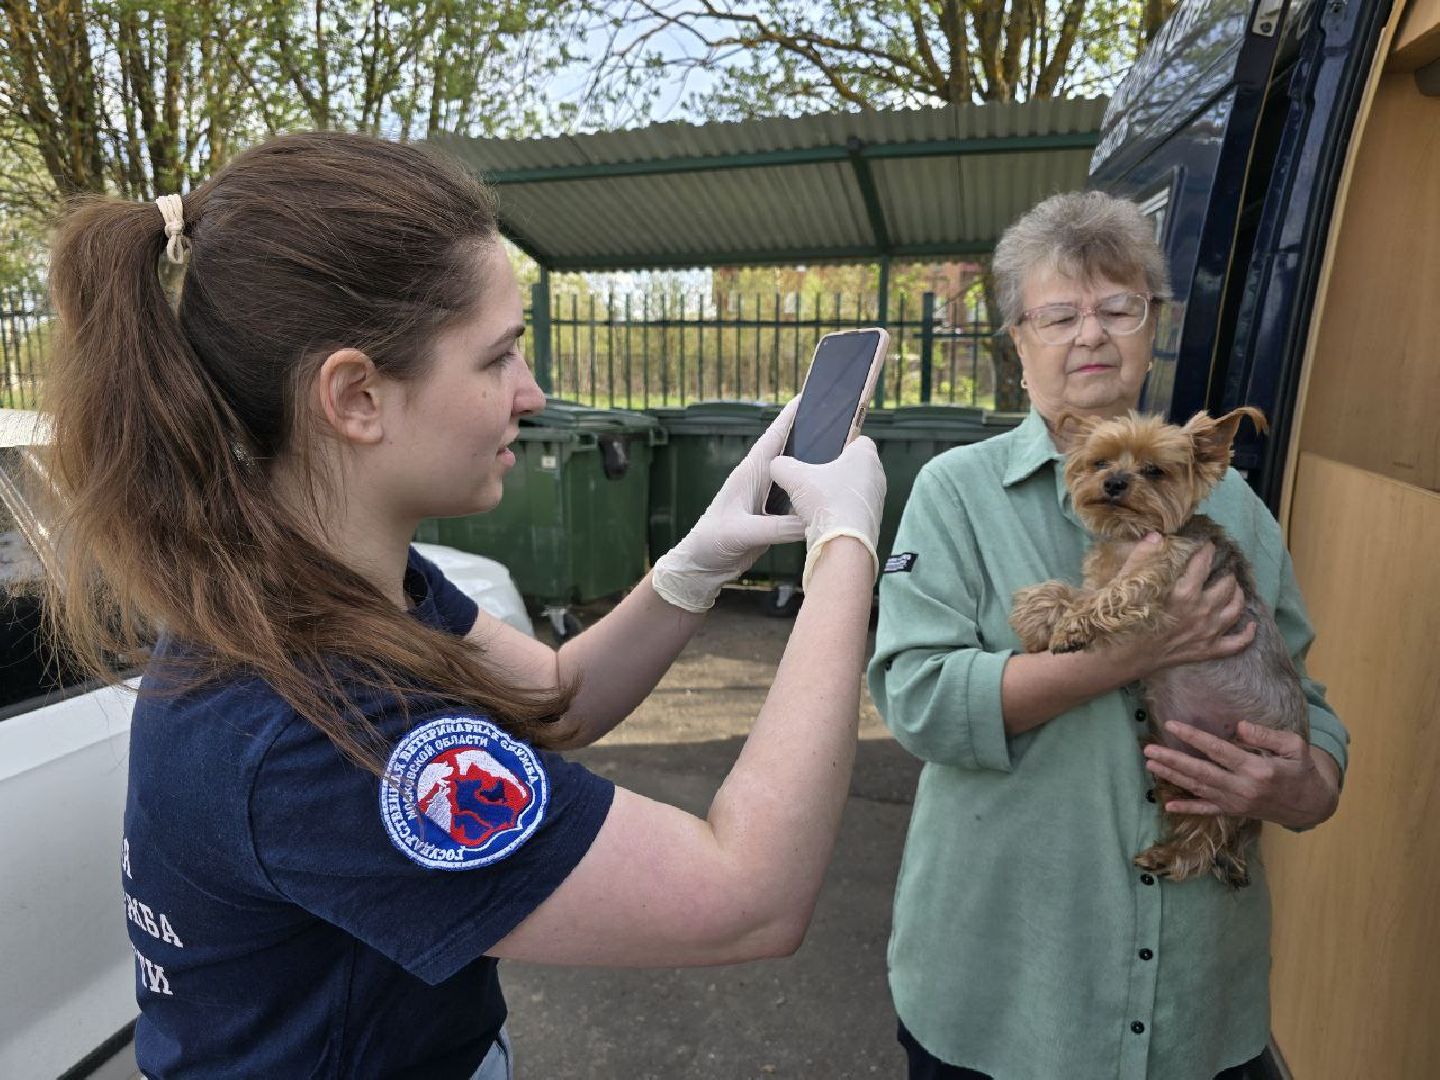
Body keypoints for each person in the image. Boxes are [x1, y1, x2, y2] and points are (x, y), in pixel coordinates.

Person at [33, 131, 885, 1079]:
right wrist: (844, 557)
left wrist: (695, 565)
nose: (533, 392)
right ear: (357, 396)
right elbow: (747, 896)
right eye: (498, 358)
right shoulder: (321, 722)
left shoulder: (325, 580)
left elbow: (556, 693)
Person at [867, 191, 1348, 1080]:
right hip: (1006, 989)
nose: (1090, 334)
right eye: (1058, 314)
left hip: (1197, 1002)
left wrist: (1310, 785)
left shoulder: (1231, 502)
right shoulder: (954, 491)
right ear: (1018, 342)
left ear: (1151, 326)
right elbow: (917, 701)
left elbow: (1305, 699)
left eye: (1117, 308)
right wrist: (1127, 657)